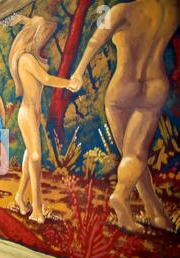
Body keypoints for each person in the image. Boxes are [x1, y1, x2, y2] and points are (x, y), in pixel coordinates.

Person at [69, 0, 177, 233]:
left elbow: (95, 40)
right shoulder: (173, 10)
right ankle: (156, 213)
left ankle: (120, 195)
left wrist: (78, 73)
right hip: (155, 85)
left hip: (122, 88)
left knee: (132, 155)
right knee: (135, 155)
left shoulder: (122, 10)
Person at [8, 14, 78, 223]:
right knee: (36, 157)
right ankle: (37, 208)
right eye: (42, 35)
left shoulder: (34, 56)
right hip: (27, 113)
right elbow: (46, 79)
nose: (45, 37)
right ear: (34, 36)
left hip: (34, 113)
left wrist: (23, 18)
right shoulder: (26, 59)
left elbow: (50, 22)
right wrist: (69, 83)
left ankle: (20, 195)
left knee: (31, 155)